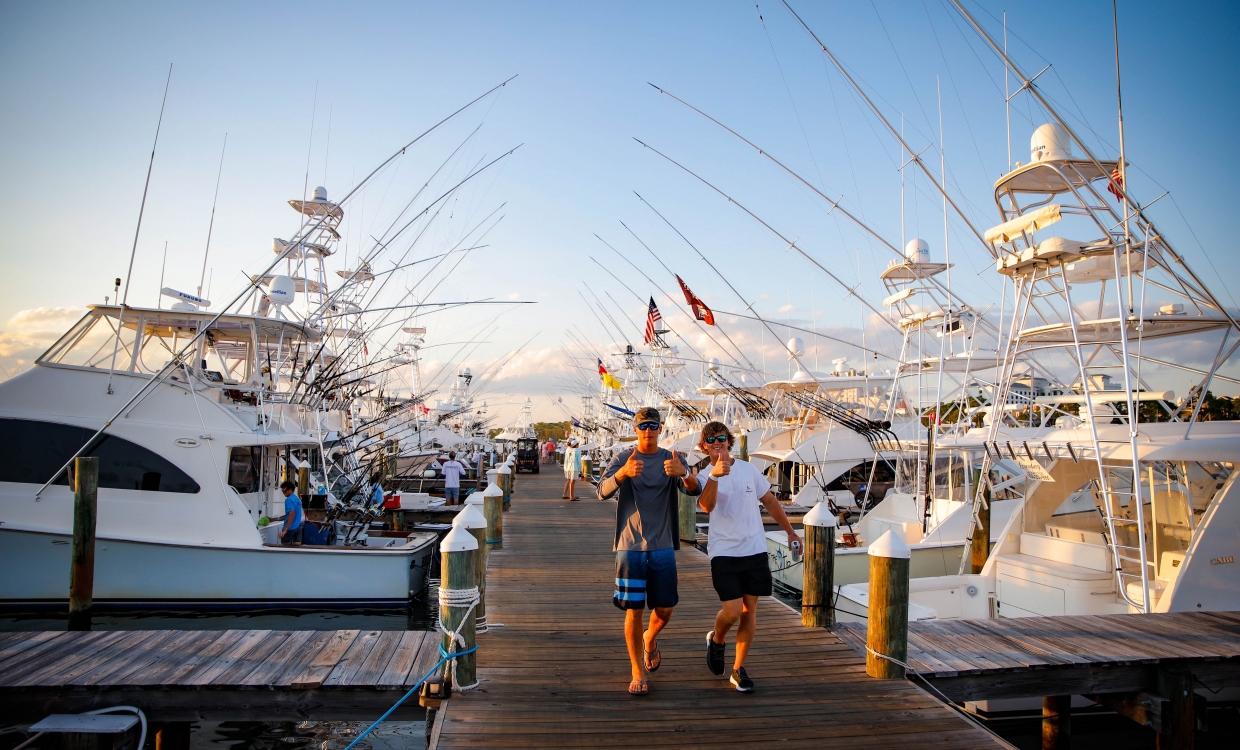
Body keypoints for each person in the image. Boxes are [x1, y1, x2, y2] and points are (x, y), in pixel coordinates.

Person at [597, 407, 701, 695]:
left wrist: (685, 474)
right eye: (643, 426)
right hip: (629, 546)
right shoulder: (623, 458)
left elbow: (695, 490)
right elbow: (601, 491)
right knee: (634, 610)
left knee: (665, 609)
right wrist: (623, 474)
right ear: (635, 429)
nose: (648, 430)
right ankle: (636, 670)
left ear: (661, 427)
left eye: (653, 425)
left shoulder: (672, 458)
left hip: (663, 544)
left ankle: (650, 638)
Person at [696, 421, 801, 693]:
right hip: (724, 551)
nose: (716, 442)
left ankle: (738, 669)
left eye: (721, 437)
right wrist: (716, 476)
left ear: (729, 442)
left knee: (749, 611)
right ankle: (717, 639)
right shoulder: (705, 474)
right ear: (704, 446)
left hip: (754, 548)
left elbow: (769, 501)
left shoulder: (748, 469)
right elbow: (706, 505)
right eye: (710, 440)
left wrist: (790, 531)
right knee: (731, 611)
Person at [278, 480, 305, 546]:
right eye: (282, 491)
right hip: (298, 527)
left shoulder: (289, 500)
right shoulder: (297, 499)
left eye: (284, 491)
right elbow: (290, 515)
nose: (283, 493)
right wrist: (274, 519)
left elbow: (291, 514)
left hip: (290, 528)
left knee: (285, 548)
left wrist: (285, 529)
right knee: (297, 547)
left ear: (290, 490)